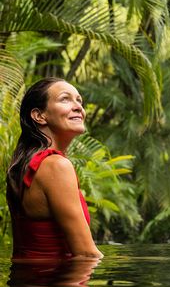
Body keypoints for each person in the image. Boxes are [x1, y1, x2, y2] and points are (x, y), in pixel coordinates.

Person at [6, 77, 103, 260]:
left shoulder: (25, 165)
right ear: (39, 116)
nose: (78, 107)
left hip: (29, 284)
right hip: (59, 286)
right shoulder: (56, 166)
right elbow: (86, 253)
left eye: (79, 100)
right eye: (65, 99)